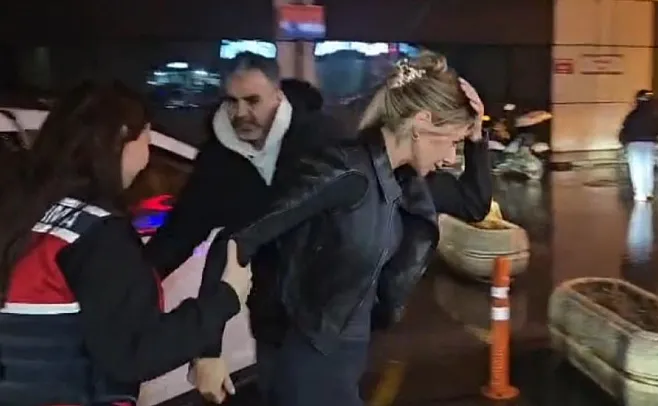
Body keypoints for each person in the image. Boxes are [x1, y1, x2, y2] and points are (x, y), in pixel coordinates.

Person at [196, 51, 493, 406]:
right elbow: (237, 238)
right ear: (422, 122)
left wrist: (477, 137)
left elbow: (474, 204)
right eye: (453, 143)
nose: (450, 158)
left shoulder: (407, 182)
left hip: (349, 354)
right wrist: (207, 350)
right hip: (308, 359)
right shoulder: (342, 172)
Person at [0, 81, 252, 405]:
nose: (148, 153)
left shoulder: (25, 214)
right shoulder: (97, 234)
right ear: (123, 135)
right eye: (147, 136)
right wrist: (225, 298)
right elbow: (134, 351)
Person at [143, 53, 348, 402]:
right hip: (269, 316)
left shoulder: (322, 140)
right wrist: (134, 281)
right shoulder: (218, 161)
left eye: (252, 101)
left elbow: (362, 211)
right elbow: (181, 233)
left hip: (329, 308)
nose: (240, 113)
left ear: (277, 96)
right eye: (232, 101)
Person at [619, 89, 658, 202]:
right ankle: (648, 192)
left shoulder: (632, 115)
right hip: (650, 143)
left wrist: (624, 143)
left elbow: (625, 130)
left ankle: (640, 194)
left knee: (637, 169)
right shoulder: (655, 115)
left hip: (634, 144)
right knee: (648, 168)